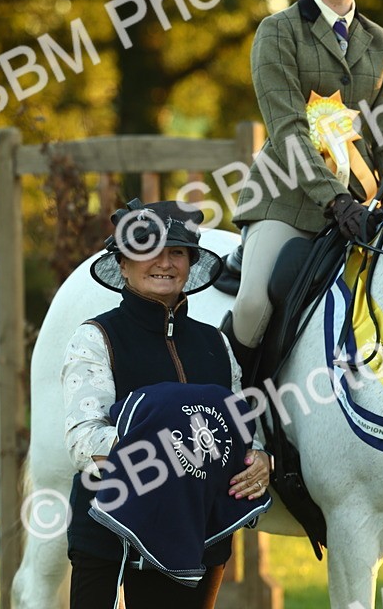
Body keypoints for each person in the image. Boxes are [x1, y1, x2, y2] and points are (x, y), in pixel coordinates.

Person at [227, 0, 383, 366]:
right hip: (287, 201)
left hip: (366, 204)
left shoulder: (382, 42)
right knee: (253, 305)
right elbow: (288, 131)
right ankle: (239, 409)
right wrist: (334, 200)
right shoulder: (278, 32)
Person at [63, 200, 273, 609]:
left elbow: (242, 430)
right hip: (111, 535)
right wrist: (175, 455)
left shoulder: (217, 343)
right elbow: (84, 441)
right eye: (148, 249)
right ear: (124, 264)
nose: (164, 262)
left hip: (199, 534)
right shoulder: (96, 337)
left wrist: (261, 461)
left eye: (176, 251)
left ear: (189, 262)